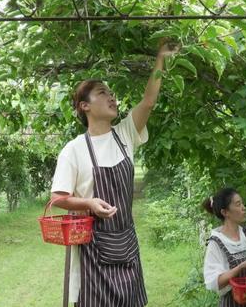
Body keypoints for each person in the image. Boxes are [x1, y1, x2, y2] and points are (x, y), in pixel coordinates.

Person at [50, 40, 179, 307]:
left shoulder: (124, 135)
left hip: (126, 244)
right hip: (93, 251)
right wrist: (88, 203)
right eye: (102, 93)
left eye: (112, 93)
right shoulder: (74, 150)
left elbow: (149, 101)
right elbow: (58, 197)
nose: (112, 97)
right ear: (84, 106)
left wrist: (161, 59)